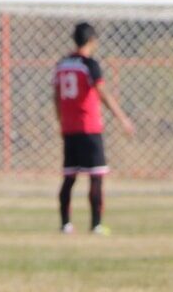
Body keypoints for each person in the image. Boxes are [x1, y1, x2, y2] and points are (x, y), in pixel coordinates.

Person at [53, 22, 134, 235]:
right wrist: (122, 118)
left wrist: (61, 121)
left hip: (69, 128)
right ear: (92, 41)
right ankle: (96, 224)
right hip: (89, 127)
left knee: (69, 176)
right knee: (96, 176)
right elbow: (102, 93)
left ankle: (65, 224)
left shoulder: (62, 64)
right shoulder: (90, 64)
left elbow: (56, 97)